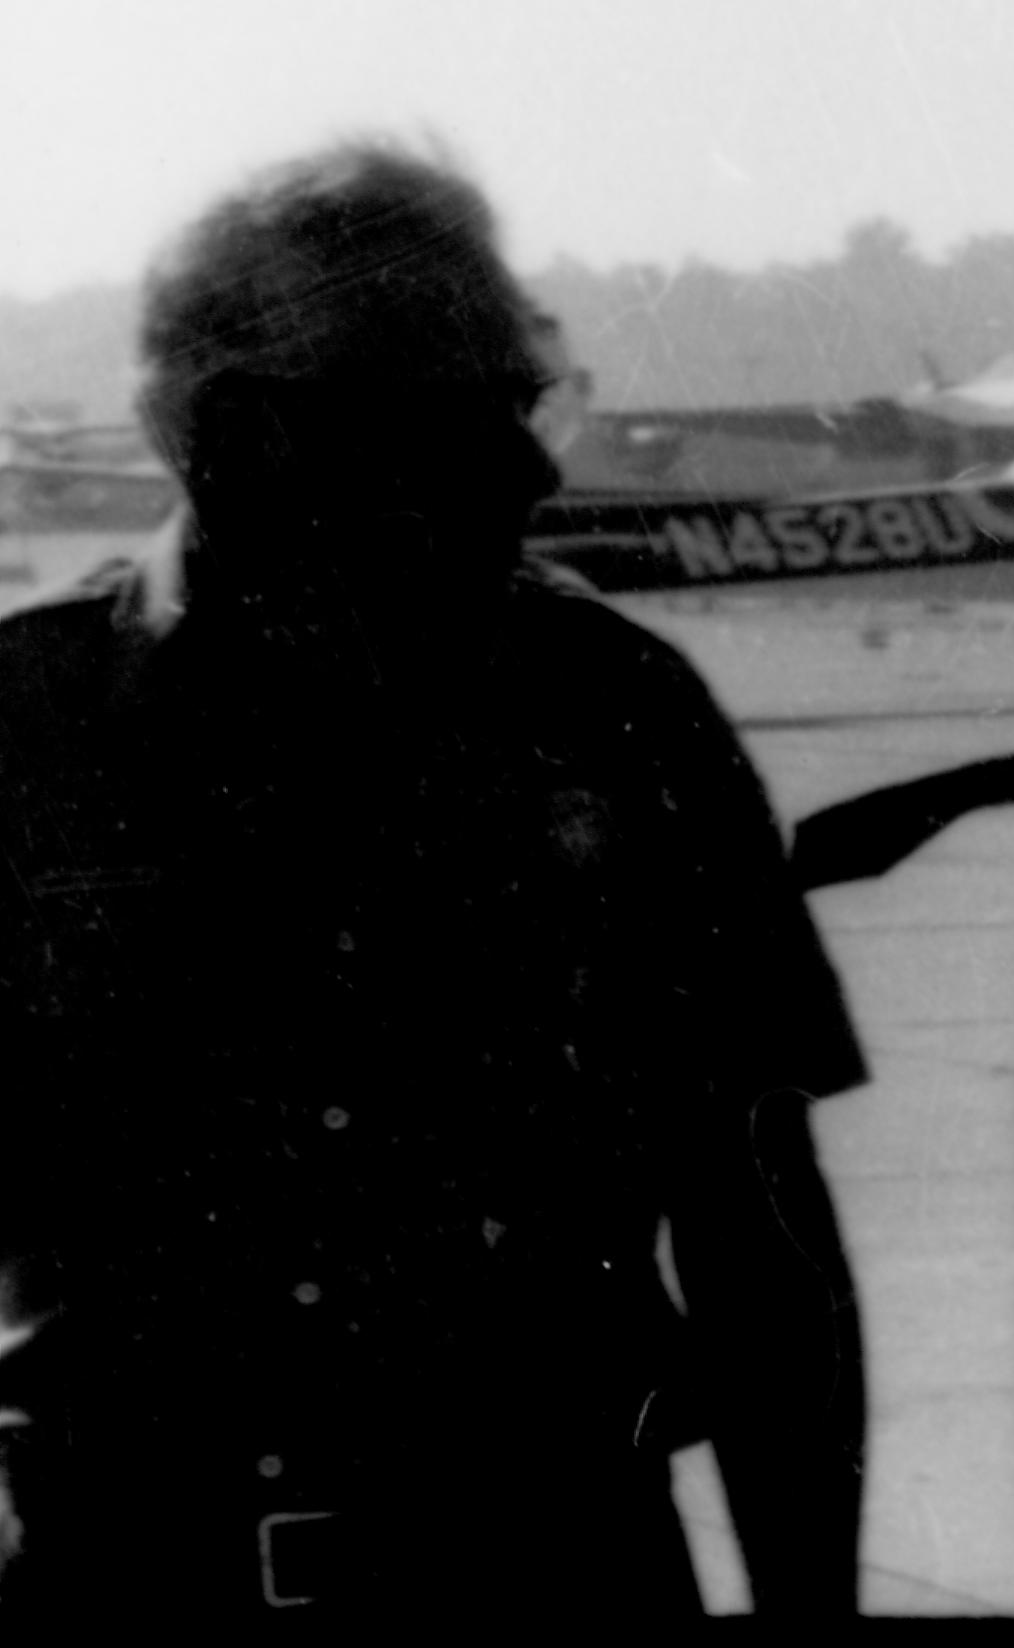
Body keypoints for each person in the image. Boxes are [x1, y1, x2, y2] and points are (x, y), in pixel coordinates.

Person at [0, 143, 868, 1617]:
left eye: (532, 403)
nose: (534, 468)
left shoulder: (620, 718)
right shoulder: (32, 736)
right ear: (246, 435)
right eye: (466, 419)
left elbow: (766, 1258)